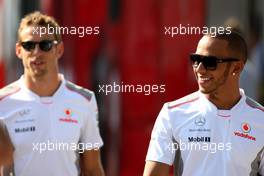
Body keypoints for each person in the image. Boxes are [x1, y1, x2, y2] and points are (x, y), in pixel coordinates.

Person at [143, 30, 264, 176]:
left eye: (209, 62)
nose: (199, 69)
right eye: (195, 59)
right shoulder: (172, 113)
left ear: (236, 68)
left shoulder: (260, 120)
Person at [0, 11, 105, 176]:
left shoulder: (84, 100)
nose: (36, 52)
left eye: (45, 45)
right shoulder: (2, 103)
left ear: (59, 49)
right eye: (29, 45)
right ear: (19, 50)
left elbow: (92, 169)